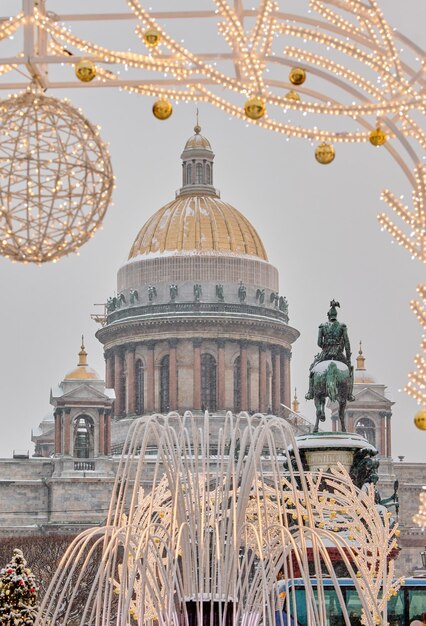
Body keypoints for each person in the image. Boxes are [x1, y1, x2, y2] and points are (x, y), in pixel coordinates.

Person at [305, 300, 355, 401]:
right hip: (338, 353)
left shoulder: (322, 326)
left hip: (325, 353)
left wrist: (326, 346)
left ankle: (310, 392)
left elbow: (319, 342)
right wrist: (348, 358)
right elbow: (347, 343)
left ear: (329, 316)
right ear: (336, 315)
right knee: (349, 371)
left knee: (312, 369)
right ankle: (349, 394)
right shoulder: (342, 326)